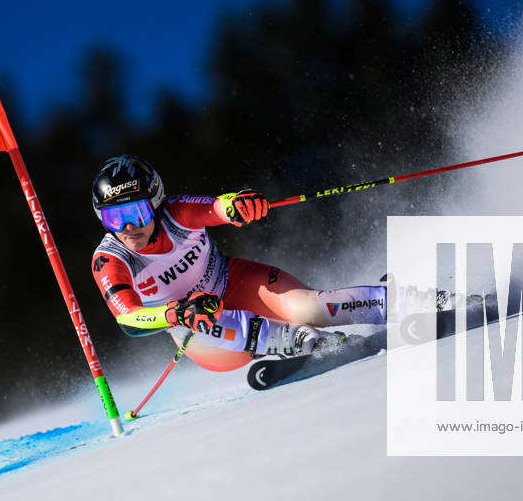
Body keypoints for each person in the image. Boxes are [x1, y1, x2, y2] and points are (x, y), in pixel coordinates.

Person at [90, 155, 387, 372]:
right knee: (203, 317)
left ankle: (396, 301)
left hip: (240, 284)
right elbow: (128, 319)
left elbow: (218, 207)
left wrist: (237, 205)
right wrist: (175, 313)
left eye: (137, 213)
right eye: (113, 218)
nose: (127, 227)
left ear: (155, 203)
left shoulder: (175, 213)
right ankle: (308, 342)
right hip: (203, 335)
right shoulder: (111, 259)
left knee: (310, 308)